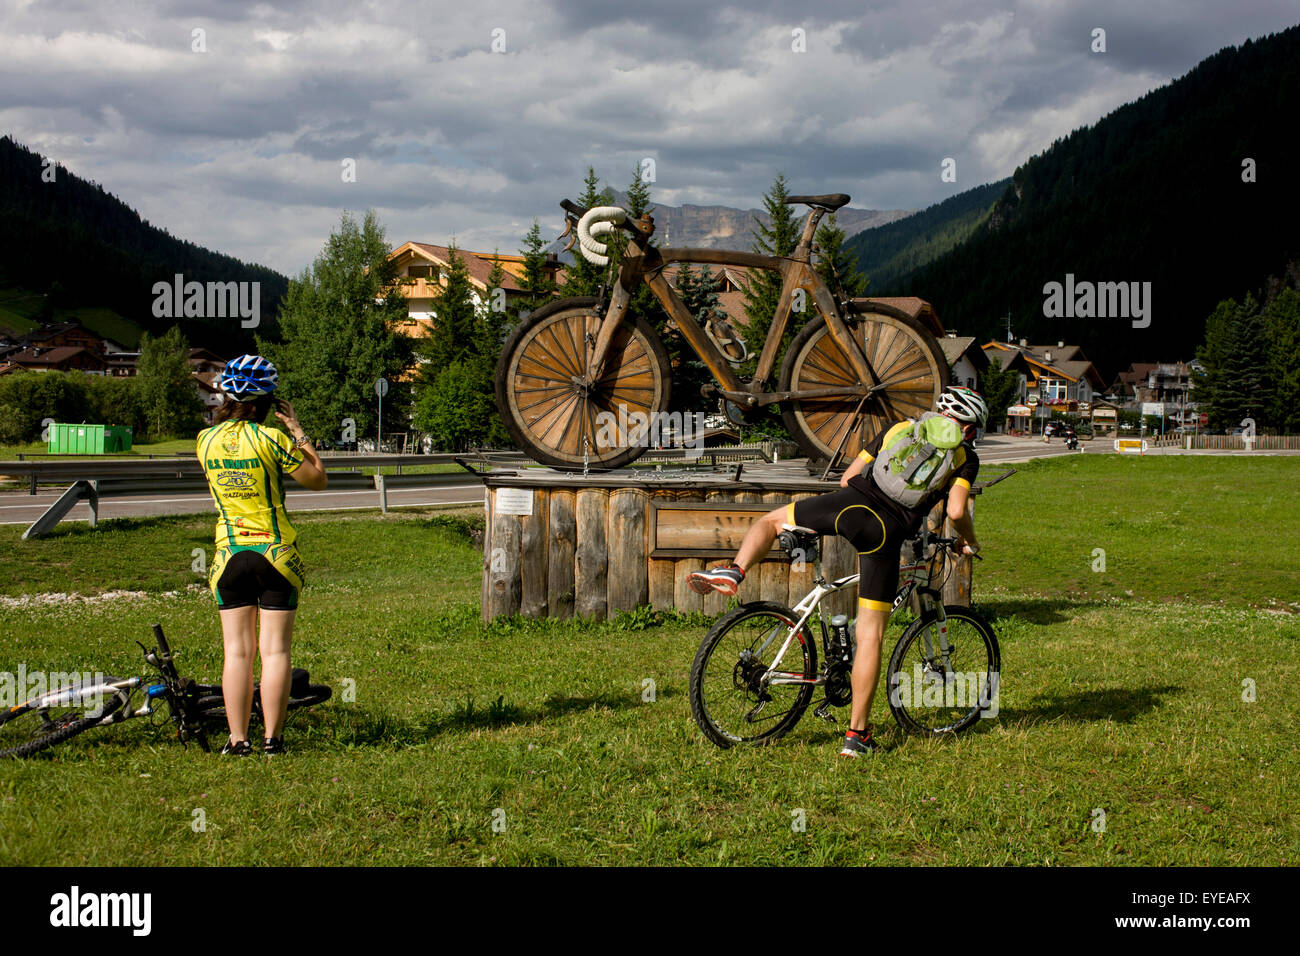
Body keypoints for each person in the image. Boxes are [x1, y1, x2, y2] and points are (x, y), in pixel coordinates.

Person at [687, 385, 987, 757]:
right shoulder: (965, 456)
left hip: (847, 505)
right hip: (884, 534)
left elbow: (849, 478)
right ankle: (856, 737)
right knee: (871, 636)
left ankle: (735, 570)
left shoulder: (898, 428)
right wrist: (970, 541)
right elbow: (956, 512)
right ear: (970, 429)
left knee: (772, 521)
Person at [197, 355, 328, 755]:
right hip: (275, 553)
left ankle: (237, 741)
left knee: (236, 652)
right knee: (276, 652)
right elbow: (317, 479)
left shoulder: (205, 440)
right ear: (267, 399)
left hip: (228, 554)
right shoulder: (273, 439)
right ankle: (273, 740)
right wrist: (299, 432)